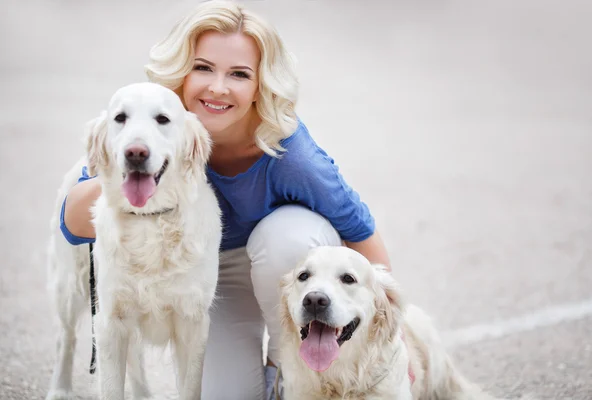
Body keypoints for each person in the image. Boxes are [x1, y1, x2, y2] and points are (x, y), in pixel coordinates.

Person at [60, 1, 391, 399]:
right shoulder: (149, 120)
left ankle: (287, 363)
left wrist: (393, 347)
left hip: (278, 263)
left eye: (239, 74)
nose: (218, 87)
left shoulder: (291, 156)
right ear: (181, 71)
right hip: (212, 276)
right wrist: (137, 171)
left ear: (259, 86)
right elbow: (75, 222)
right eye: (203, 68)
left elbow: (363, 238)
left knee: (285, 236)